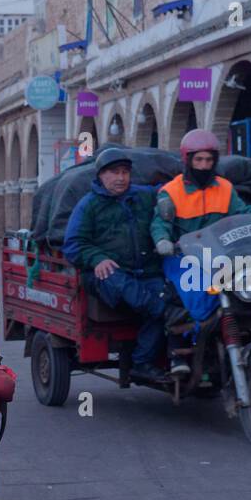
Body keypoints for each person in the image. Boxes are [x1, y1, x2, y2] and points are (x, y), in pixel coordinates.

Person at [151, 129, 251, 375]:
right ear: (187, 160)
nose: (204, 166)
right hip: (183, 256)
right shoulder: (171, 191)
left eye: (209, 160)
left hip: (220, 254)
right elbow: (159, 223)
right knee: (191, 291)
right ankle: (179, 347)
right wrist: (163, 240)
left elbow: (243, 213)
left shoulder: (225, 188)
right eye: (199, 160)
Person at [63, 146, 167, 382]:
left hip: (146, 272)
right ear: (100, 175)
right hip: (108, 275)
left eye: (125, 172)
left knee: (171, 302)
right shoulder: (88, 205)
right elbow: (73, 245)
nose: (120, 178)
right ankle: (142, 362)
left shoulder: (143, 196)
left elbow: (166, 195)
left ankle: (154, 359)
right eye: (114, 172)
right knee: (153, 304)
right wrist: (96, 258)